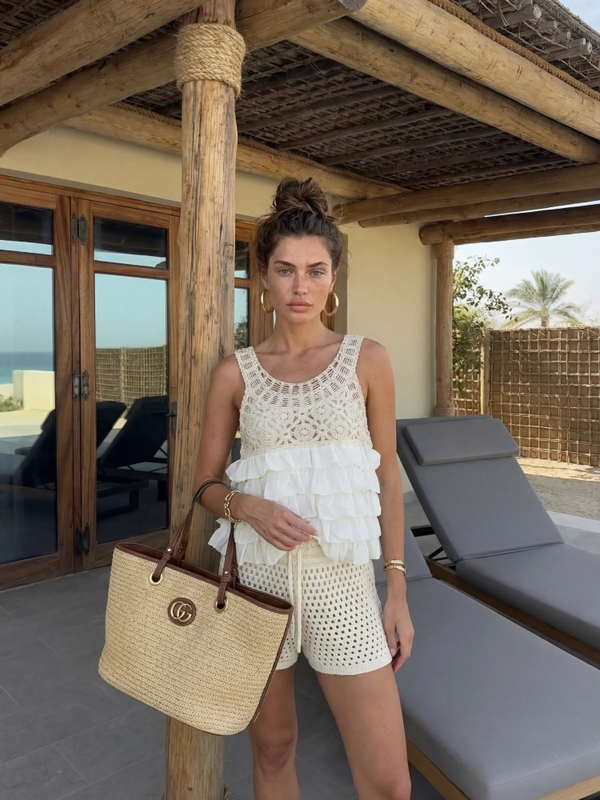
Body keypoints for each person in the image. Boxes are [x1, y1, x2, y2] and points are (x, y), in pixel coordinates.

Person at [193, 177, 414, 800]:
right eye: (285, 270)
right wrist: (248, 507)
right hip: (256, 588)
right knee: (273, 749)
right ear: (263, 276)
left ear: (333, 278)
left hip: (343, 590)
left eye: (315, 271)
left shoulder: (367, 359)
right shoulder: (235, 372)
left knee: (388, 782)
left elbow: (387, 477)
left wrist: (396, 588)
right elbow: (203, 485)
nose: (300, 287)